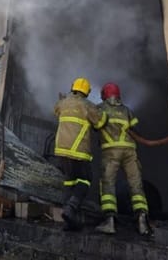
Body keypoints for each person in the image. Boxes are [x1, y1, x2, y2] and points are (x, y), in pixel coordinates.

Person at [93, 82, 153, 237]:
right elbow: (135, 130)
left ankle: (109, 221)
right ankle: (142, 221)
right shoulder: (127, 110)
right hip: (130, 152)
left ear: (104, 95)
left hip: (111, 152)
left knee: (108, 185)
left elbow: (94, 126)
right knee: (136, 184)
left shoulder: (100, 108)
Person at [54, 77, 106, 230]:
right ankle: (70, 208)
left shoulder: (63, 103)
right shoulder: (87, 106)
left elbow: (56, 110)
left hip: (61, 151)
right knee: (85, 180)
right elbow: (101, 123)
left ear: (73, 88)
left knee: (69, 182)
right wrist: (102, 112)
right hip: (79, 152)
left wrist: (63, 99)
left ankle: (68, 221)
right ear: (87, 92)